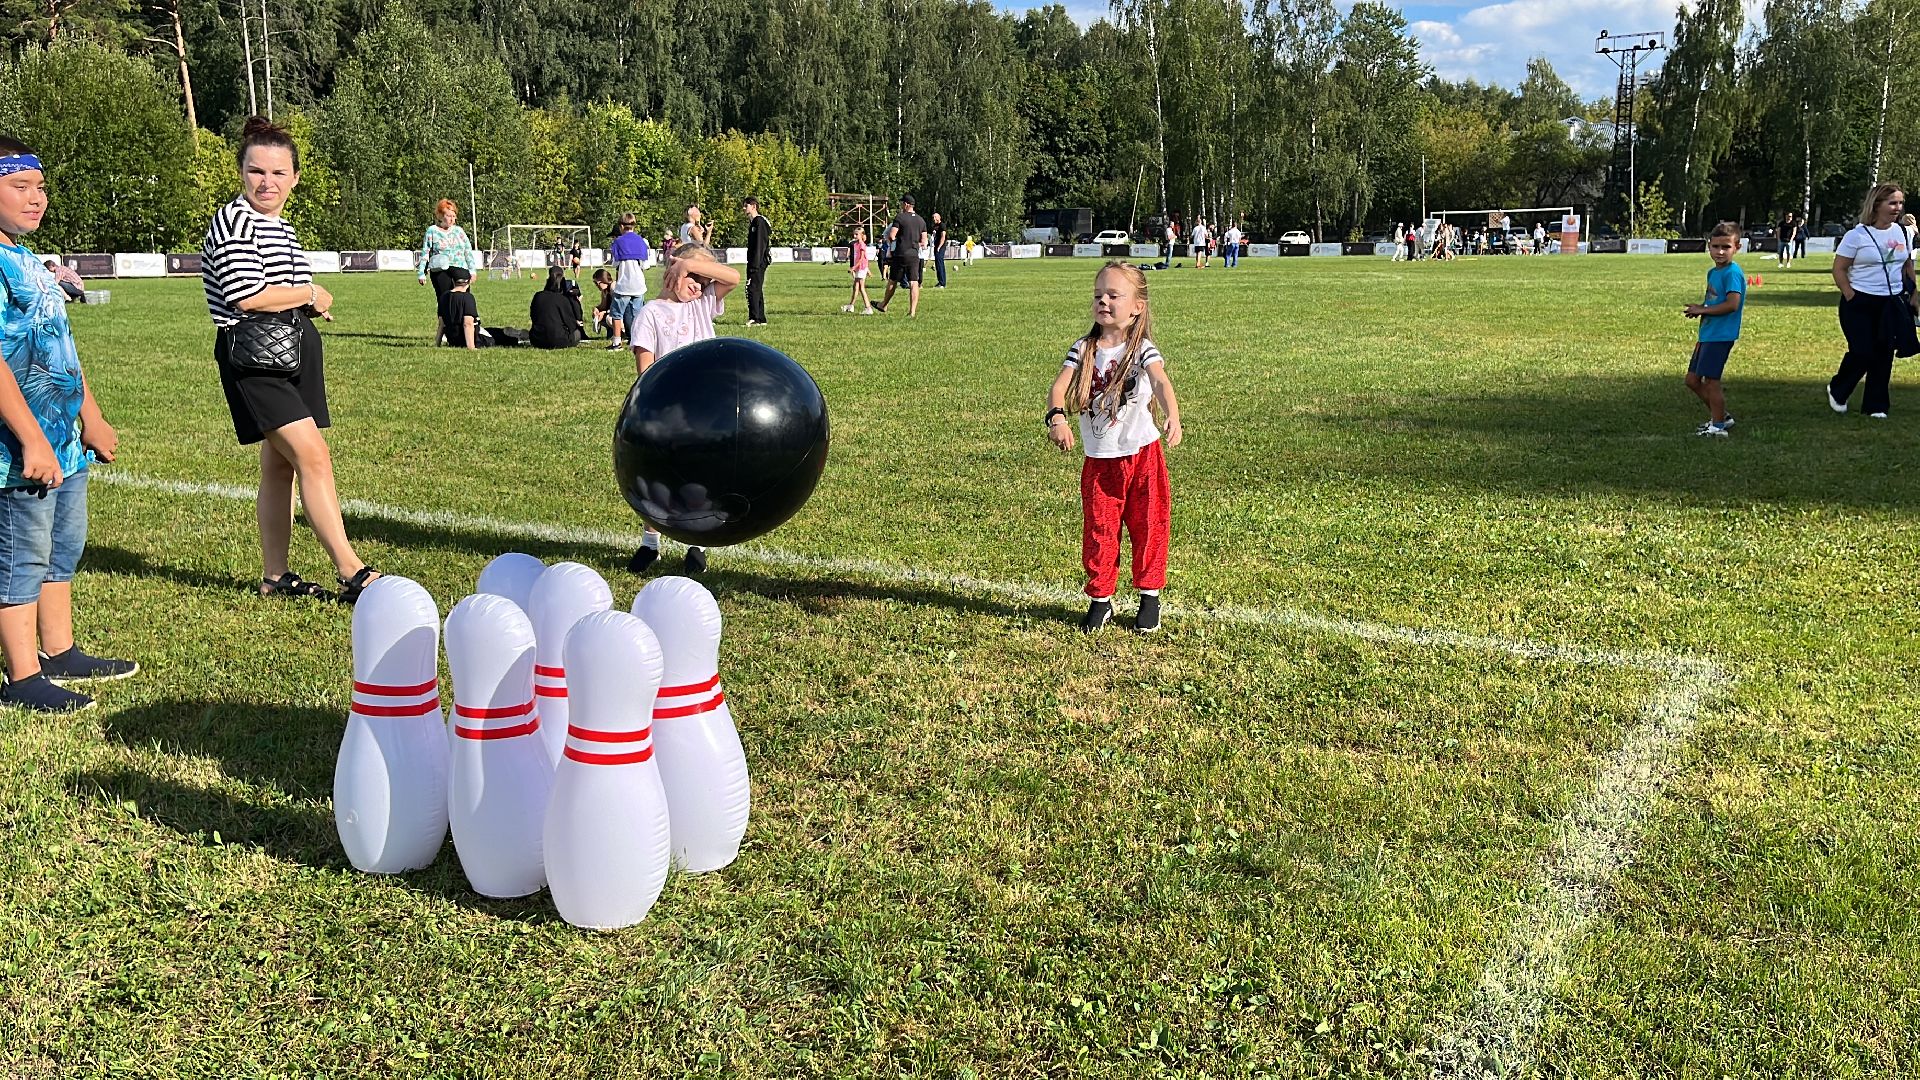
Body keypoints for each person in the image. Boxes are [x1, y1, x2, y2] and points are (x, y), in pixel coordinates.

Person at [203, 117, 381, 604]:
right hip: (256, 356)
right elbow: (246, 295)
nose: (268, 182)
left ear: (294, 178)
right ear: (241, 171)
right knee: (313, 458)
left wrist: (307, 304)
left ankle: (275, 577)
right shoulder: (233, 221)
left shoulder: (281, 226)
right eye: (257, 171)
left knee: (279, 468)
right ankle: (353, 571)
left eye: (279, 173)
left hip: (292, 348)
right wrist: (309, 291)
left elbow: (278, 290)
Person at [0, 136, 135, 712]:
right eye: (19, 187)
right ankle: (23, 674)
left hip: (64, 440)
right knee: (21, 555)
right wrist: (30, 438)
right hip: (18, 446)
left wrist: (93, 418)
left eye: (41, 188)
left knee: (64, 545)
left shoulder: (30, 259)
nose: (37, 199)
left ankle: (58, 650)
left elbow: (60, 349)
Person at [1044, 262, 1181, 635]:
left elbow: (1161, 382)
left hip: (1143, 457)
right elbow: (1059, 388)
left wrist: (1173, 415)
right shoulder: (1084, 348)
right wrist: (1057, 418)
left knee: (1149, 527)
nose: (1103, 301)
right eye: (1097, 295)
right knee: (1099, 532)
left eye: (1113, 295)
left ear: (1137, 306)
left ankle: (1149, 596)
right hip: (1100, 463)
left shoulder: (1142, 350)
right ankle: (1101, 600)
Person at [625, 244, 741, 575]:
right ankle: (650, 544)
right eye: (693, 277)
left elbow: (732, 277)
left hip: (705, 410)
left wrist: (692, 263)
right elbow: (645, 368)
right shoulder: (651, 313)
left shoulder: (703, 304)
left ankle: (697, 543)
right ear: (672, 271)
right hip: (667, 409)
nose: (699, 286)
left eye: (704, 281)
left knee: (700, 477)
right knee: (656, 477)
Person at [1827, 182, 1915, 419]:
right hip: (1859, 301)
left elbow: (1907, 264)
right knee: (1862, 351)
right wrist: (1849, 294)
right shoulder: (1856, 235)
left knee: (1884, 353)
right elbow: (1839, 269)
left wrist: (1913, 292)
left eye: (1900, 203)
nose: (1898, 208)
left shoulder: (1902, 232)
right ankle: (1838, 389)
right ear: (1877, 205)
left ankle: (1876, 405)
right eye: (1892, 203)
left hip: (1891, 301)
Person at [1682, 222, 1745, 437]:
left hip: (1720, 336)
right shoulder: (1713, 272)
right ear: (1709, 246)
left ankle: (1718, 426)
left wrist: (1703, 310)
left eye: (1726, 247)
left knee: (1711, 382)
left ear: (1737, 247)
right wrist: (1700, 311)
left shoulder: (1732, 273)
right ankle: (1722, 416)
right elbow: (1713, 301)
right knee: (1691, 380)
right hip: (1708, 334)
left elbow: (1732, 304)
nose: (1720, 252)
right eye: (1715, 246)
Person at [416, 199, 478, 346]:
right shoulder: (432, 231)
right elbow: (426, 252)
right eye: (449, 215)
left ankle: (466, 331)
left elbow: (467, 251)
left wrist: (472, 270)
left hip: (460, 268)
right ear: (440, 216)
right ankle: (444, 333)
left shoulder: (459, 231)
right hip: (440, 270)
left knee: (463, 300)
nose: (452, 219)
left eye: (454, 215)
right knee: (444, 300)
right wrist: (421, 272)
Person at [875, 195, 926, 316]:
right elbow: (924, 241)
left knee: (893, 280)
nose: (901, 206)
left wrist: (893, 242)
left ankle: (884, 305)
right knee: (914, 282)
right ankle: (912, 311)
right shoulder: (921, 220)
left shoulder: (900, 217)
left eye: (902, 203)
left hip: (901, 253)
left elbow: (892, 235)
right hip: (914, 254)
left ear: (907, 204)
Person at [608, 212, 649, 354]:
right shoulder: (642, 242)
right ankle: (638, 341)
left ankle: (616, 342)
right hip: (639, 285)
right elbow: (645, 265)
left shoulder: (618, 242)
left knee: (617, 314)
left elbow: (615, 264)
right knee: (637, 315)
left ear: (621, 226)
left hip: (624, 285)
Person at [530, 265, 584, 349]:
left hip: (536, 340)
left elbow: (533, 316)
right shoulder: (563, 299)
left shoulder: (538, 296)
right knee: (577, 333)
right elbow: (571, 325)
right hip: (559, 341)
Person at [743, 196, 771, 326]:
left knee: (752, 288)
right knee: (756, 288)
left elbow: (760, 244)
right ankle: (760, 317)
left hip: (758, 262)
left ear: (753, 206)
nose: (744, 208)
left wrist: (755, 264)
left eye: (746, 205)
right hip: (756, 261)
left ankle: (755, 317)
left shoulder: (759, 222)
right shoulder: (755, 223)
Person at [842, 226, 874, 314]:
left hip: (861, 268)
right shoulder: (855, 244)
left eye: (857, 234)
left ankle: (868, 308)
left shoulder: (862, 245)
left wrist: (854, 267)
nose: (855, 236)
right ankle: (851, 306)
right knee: (855, 287)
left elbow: (862, 258)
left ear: (861, 235)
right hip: (858, 268)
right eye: (854, 234)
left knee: (861, 287)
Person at [589, 267, 614, 339]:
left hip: (620, 315)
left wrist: (605, 313)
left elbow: (618, 308)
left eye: (597, 283)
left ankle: (622, 333)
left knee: (608, 318)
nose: (596, 285)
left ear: (603, 280)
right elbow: (603, 306)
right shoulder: (604, 291)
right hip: (611, 313)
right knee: (598, 316)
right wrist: (596, 309)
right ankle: (611, 331)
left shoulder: (613, 288)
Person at [930, 211, 949, 288]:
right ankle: (940, 281)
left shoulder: (942, 225)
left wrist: (939, 247)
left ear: (939, 217)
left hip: (940, 247)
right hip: (936, 247)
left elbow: (943, 237)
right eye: (933, 217)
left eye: (935, 217)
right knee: (937, 265)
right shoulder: (935, 226)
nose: (933, 219)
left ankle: (942, 283)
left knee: (940, 264)